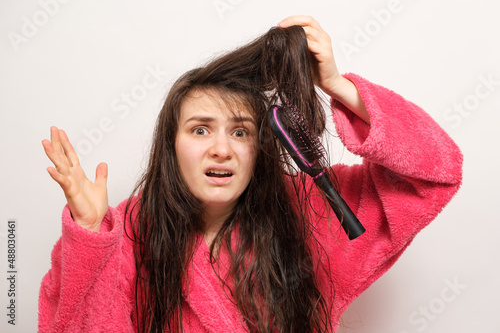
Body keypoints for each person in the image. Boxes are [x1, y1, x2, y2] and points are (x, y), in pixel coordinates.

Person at [38, 16, 463, 333]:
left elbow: (435, 172)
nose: (221, 148)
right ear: (171, 144)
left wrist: (337, 85)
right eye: (200, 129)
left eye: (240, 131)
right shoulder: (129, 233)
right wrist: (91, 234)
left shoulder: (312, 213)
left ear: (259, 147)